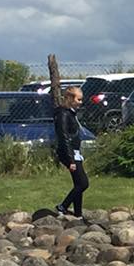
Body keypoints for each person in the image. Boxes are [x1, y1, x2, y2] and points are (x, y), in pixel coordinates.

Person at [54, 86, 89, 217]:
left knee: (78, 183)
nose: (81, 102)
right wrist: (71, 160)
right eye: (78, 99)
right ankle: (63, 206)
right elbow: (64, 137)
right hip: (69, 153)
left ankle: (78, 213)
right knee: (83, 183)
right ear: (70, 99)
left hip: (75, 152)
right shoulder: (63, 114)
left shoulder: (71, 113)